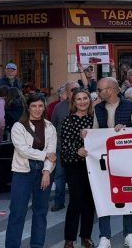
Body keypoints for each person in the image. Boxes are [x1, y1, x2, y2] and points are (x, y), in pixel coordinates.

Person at [93, 78, 132, 248]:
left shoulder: (130, 106)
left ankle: (129, 234)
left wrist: (126, 130)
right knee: (104, 196)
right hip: (105, 161)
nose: (98, 93)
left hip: (127, 160)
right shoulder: (98, 108)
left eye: (100, 89)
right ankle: (105, 236)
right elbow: (95, 132)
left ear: (111, 90)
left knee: (129, 195)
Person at [5, 94, 57, 248]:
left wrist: (47, 172)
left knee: (40, 212)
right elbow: (23, 150)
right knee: (17, 213)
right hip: (23, 172)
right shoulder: (18, 126)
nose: (37, 109)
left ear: (44, 107)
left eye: (40, 106)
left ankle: (37, 245)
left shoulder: (50, 127)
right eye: (34, 106)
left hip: (43, 172)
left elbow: (52, 153)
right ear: (28, 107)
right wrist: (45, 155)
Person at [60, 89, 96, 248]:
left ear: (89, 100)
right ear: (74, 103)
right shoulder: (69, 121)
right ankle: (69, 239)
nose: (82, 102)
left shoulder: (94, 119)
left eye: (85, 98)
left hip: (92, 165)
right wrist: (77, 150)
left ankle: (86, 236)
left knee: (90, 201)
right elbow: (64, 147)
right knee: (76, 201)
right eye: (79, 99)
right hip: (74, 165)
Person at [50, 80, 79, 212]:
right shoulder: (59, 107)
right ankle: (59, 202)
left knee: (77, 176)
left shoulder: (85, 105)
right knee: (60, 176)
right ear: (67, 93)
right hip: (62, 146)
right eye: (72, 90)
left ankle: (78, 202)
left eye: (77, 89)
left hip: (80, 148)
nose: (75, 92)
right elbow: (53, 126)